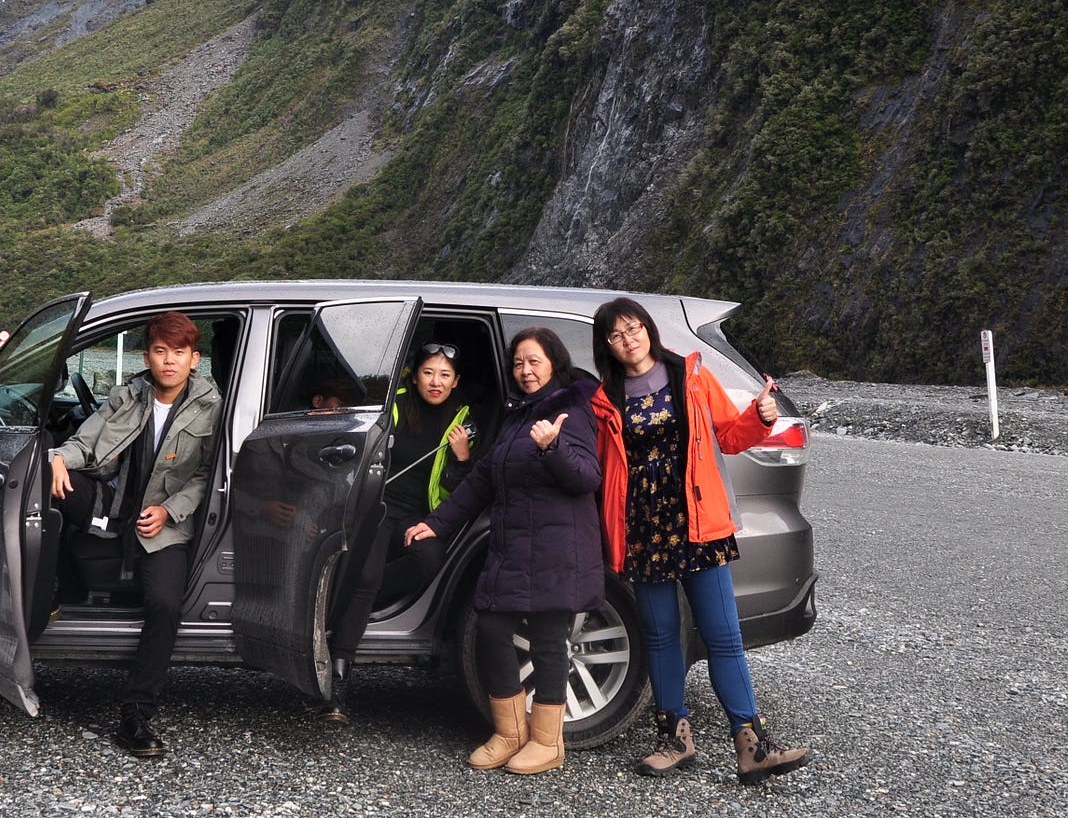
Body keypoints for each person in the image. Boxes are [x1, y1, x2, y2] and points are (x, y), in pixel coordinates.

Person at [592, 295, 810, 785]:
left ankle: (752, 745)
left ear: (648, 329)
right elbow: (602, 469)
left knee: (723, 637)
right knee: (662, 636)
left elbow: (730, 436)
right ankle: (675, 739)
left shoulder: (689, 375)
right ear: (606, 345)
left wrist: (761, 415)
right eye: (615, 335)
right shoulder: (604, 399)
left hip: (697, 522)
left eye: (633, 328)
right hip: (644, 530)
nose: (627, 340)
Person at [405, 327, 604, 775]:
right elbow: (482, 482)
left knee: (549, 640)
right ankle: (510, 733)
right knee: (493, 629)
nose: (524, 370)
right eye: (517, 362)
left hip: (557, 546)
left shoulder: (570, 410)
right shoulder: (517, 415)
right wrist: (436, 524)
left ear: (553, 362)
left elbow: (587, 478)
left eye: (533, 361)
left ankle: (548, 742)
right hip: (514, 543)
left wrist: (552, 448)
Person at [49, 311, 221, 759]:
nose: (169, 361)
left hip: (163, 523)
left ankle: (136, 713)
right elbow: (85, 443)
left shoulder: (211, 405)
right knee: (43, 485)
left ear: (194, 359)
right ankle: (56, 589)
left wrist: (168, 511)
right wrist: (58, 458)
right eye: (160, 351)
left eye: (178, 353)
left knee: (165, 605)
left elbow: (206, 475)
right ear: (147, 356)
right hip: (116, 505)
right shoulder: (128, 395)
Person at [323, 343, 478, 722]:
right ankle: (337, 681)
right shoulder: (393, 405)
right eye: (428, 372)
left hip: (419, 515)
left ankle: (342, 597)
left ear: (456, 381)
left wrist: (462, 457)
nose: (436, 382)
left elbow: (464, 489)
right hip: (376, 508)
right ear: (414, 375)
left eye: (444, 375)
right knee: (367, 575)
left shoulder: (465, 420)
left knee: (428, 560)